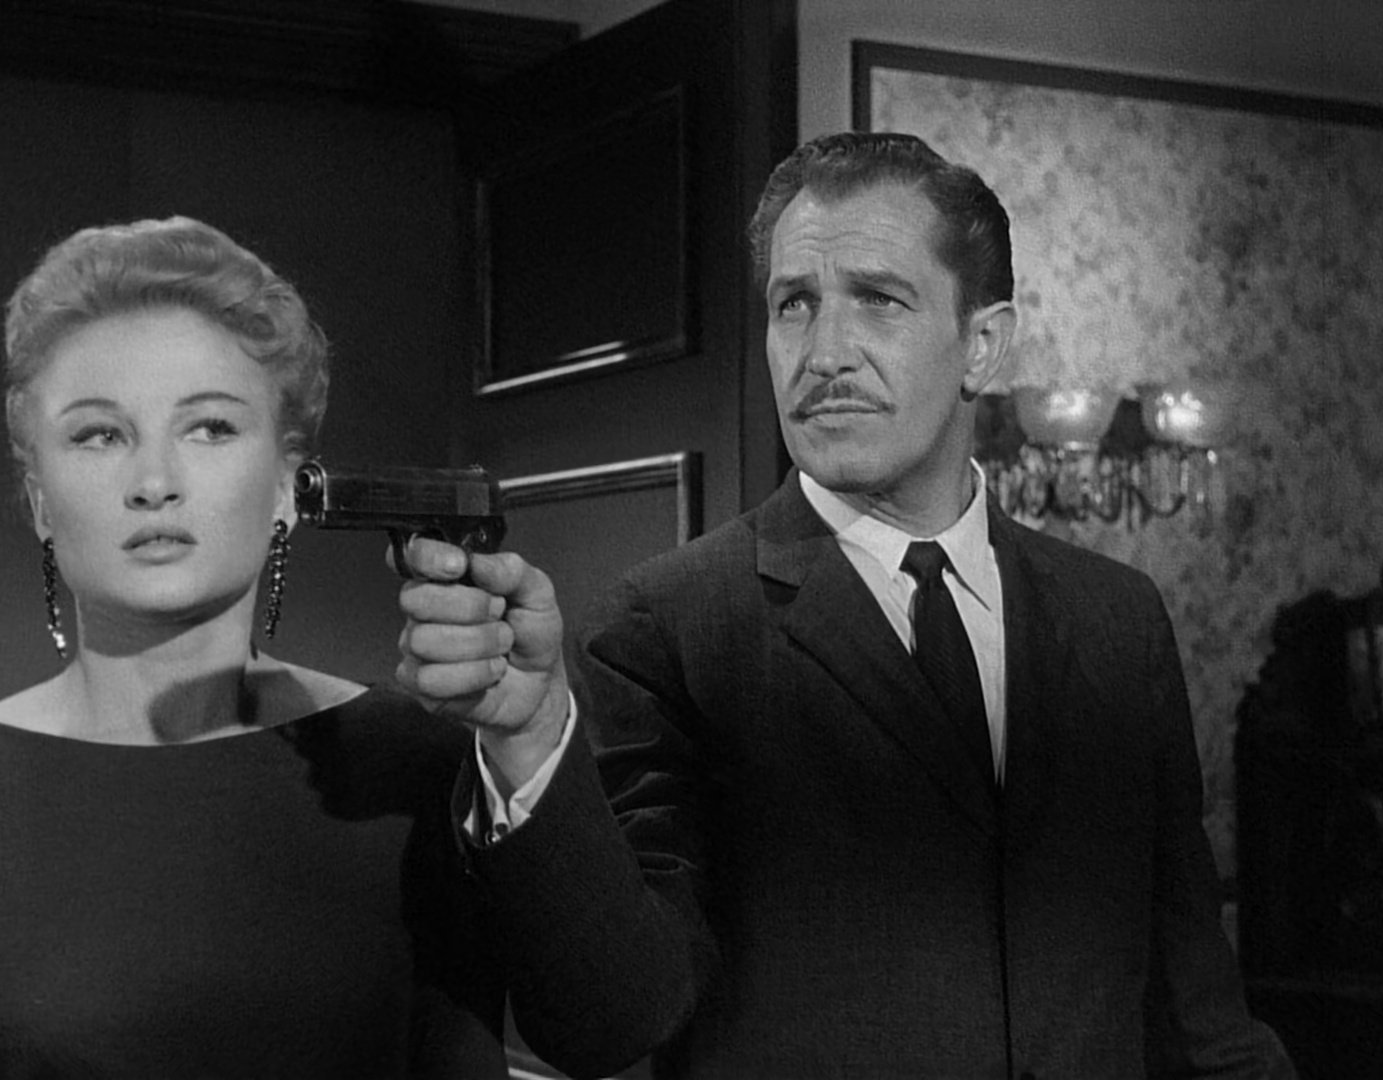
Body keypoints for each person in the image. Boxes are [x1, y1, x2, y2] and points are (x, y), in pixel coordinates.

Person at [395, 133, 1297, 1078]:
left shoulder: (1117, 618)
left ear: (982, 344)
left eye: (878, 299)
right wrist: (530, 741)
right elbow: (613, 1018)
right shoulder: (667, 626)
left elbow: (1198, 1015)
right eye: (795, 304)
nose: (824, 353)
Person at [0, 216, 506, 1079]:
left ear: (288, 486)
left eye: (208, 427)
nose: (153, 483)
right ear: (38, 500)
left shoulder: (415, 761)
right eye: (99, 434)